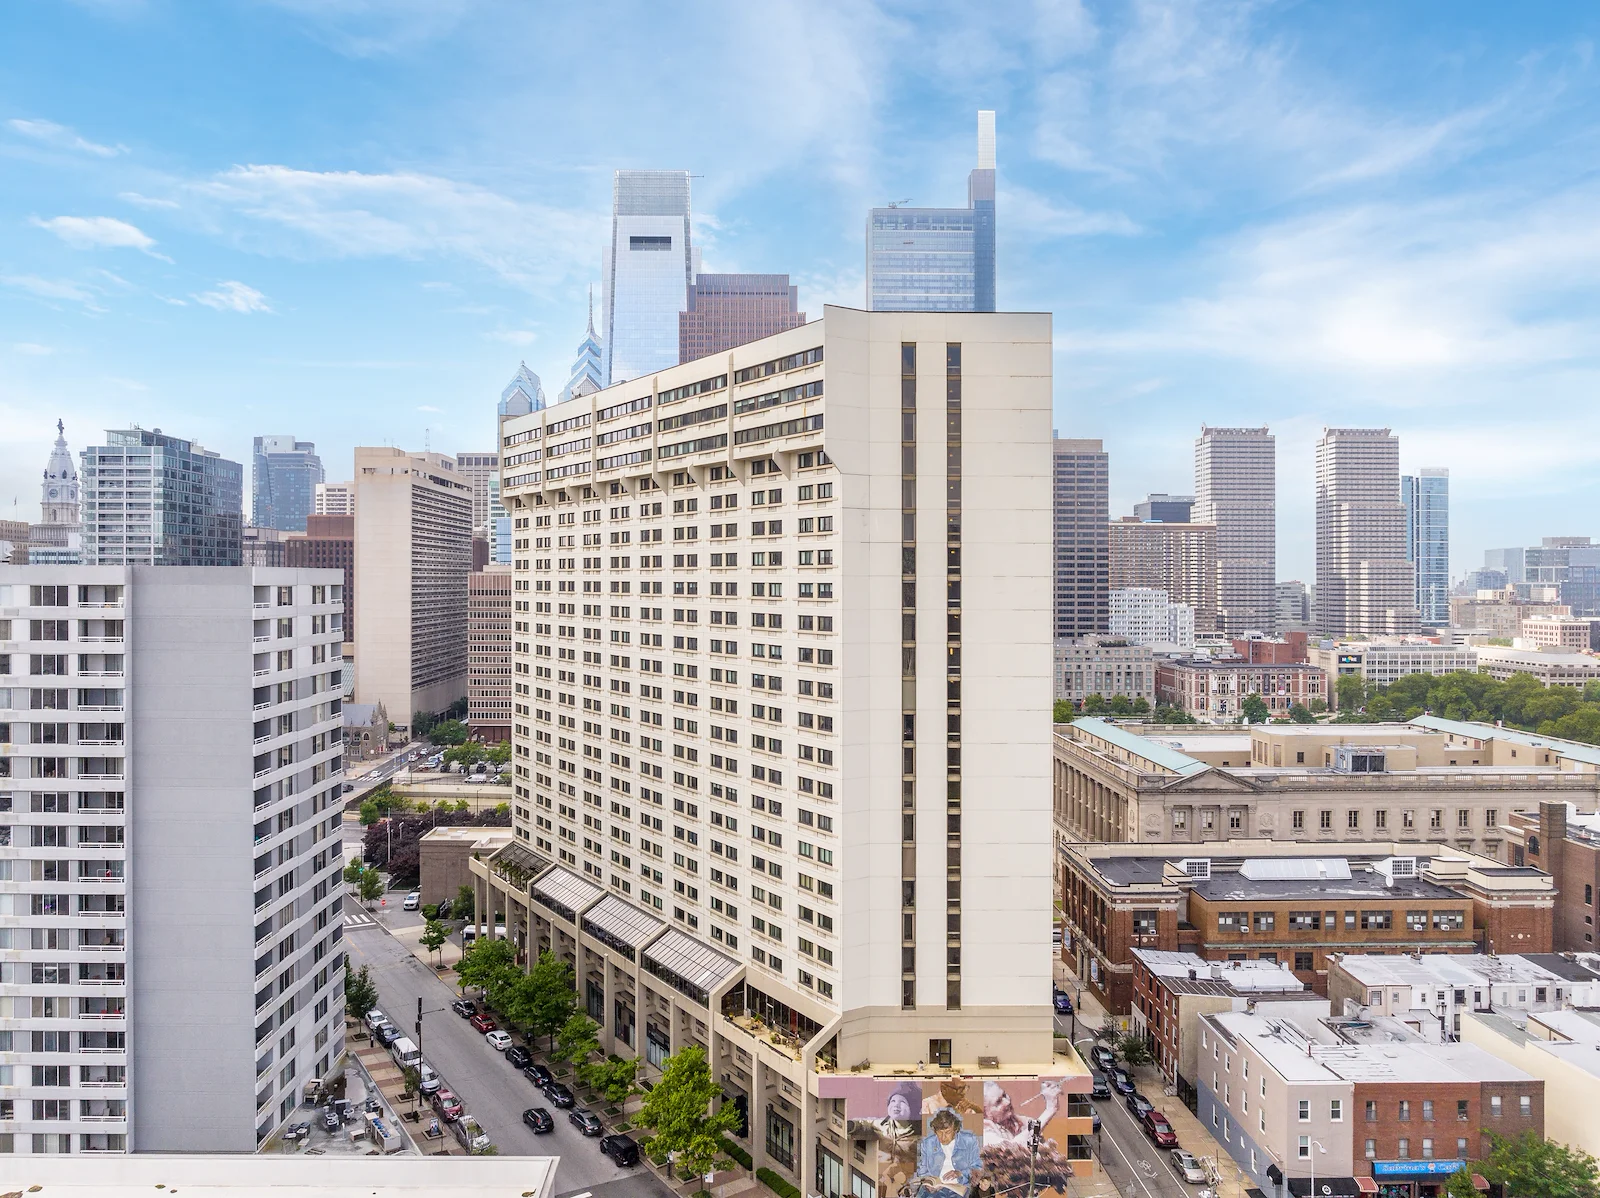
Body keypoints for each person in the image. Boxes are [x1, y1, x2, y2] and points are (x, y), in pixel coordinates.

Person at [917, 1110, 982, 1196]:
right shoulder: (928, 1143)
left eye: (947, 1132)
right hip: (935, 1189)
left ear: (955, 1130)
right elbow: (923, 1169)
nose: (943, 1137)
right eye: (940, 1132)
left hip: (960, 1187)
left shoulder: (969, 1141)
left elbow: (978, 1168)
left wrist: (960, 1173)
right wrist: (929, 1182)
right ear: (935, 1131)